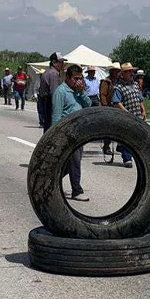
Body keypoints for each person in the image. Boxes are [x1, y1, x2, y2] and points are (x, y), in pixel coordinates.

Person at [53, 64, 92, 200]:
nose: (78, 81)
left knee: (71, 163)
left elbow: (88, 106)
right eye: (76, 78)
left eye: (80, 78)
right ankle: (77, 190)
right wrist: (54, 135)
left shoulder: (77, 92)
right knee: (75, 162)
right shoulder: (61, 92)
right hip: (67, 133)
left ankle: (52, 181)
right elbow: (57, 115)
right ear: (68, 78)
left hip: (79, 132)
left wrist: (81, 92)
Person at [110, 63, 146, 168]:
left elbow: (140, 98)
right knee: (127, 137)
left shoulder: (135, 84)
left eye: (132, 71)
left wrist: (143, 110)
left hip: (137, 115)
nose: (131, 73)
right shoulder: (119, 87)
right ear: (123, 74)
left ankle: (125, 150)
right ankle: (127, 158)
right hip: (126, 115)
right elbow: (117, 102)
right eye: (129, 72)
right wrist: (125, 112)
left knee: (136, 137)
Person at [38, 53, 65, 131]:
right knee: (51, 127)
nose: (63, 64)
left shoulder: (48, 72)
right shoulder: (53, 74)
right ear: (54, 62)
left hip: (46, 101)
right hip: (50, 102)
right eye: (61, 62)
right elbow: (54, 92)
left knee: (47, 125)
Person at [99, 63, 122, 157]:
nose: (118, 73)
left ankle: (120, 145)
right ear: (112, 71)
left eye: (118, 71)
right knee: (109, 128)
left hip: (118, 106)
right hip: (109, 106)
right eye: (116, 71)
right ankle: (106, 146)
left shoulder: (120, 82)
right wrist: (105, 106)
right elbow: (103, 95)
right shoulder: (106, 82)